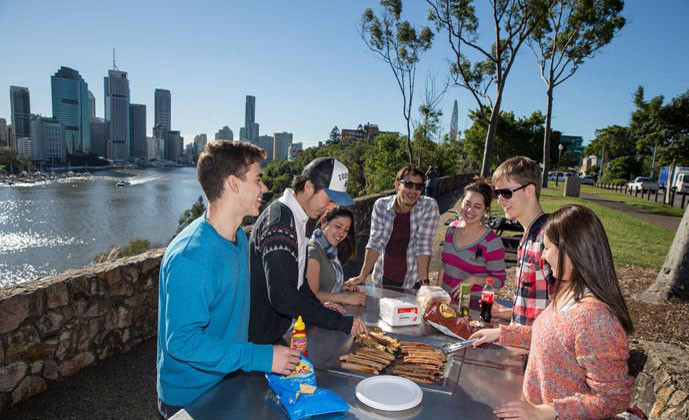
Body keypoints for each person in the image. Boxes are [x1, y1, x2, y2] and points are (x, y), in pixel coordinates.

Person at [157, 141, 301, 419]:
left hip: (227, 379)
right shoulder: (192, 257)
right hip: (190, 397)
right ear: (234, 184)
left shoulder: (239, 239)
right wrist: (260, 356)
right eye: (258, 179)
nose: (265, 188)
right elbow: (182, 342)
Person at [470, 205, 635, 420]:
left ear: (570, 251)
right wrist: (501, 334)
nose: (543, 257)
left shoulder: (596, 319)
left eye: (547, 248)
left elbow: (613, 399)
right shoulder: (567, 291)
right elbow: (552, 338)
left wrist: (545, 411)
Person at [249, 157, 368, 346]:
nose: (330, 208)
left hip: (279, 332)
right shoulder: (279, 223)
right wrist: (340, 323)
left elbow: (299, 283)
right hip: (262, 341)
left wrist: (317, 306)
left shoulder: (296, 219)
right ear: (309, 187)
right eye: (329, 199)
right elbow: (283, 295)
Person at [346, 164, 440, 290]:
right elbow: (376, 241)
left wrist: (425, 285)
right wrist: (362, 276)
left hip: (413, 280)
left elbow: (423, 245)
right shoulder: (381, 206)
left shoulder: (428, 206)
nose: (413, 191)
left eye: (418, 187)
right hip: (383, 278)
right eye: (408, 184)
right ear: (397, 184)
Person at [491, 156, 555, 325]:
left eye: (506, 192)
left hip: (537, 347)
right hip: (521, 342)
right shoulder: (528, 236)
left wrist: (504, 334)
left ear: (530, 190)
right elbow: (537, 302)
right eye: (497, 193)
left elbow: (560, 312)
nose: (499, 200)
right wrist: (508, 313)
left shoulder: (548, 238)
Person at [437, 177, 506, 303]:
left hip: (472, 306)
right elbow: (444, 266)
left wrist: (474, 280)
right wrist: (437, 295)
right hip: (445, 304)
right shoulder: (451, 229)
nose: (470, 210)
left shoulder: (492, 242)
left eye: (477, 207)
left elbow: (499, 281)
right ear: (461, 202)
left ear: (486, 210)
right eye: (467, 204)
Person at [306, 206, 367, 306]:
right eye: (338, 227)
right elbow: (312, 295)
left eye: (346, 230)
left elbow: (322, 283)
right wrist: (345, 298)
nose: (342, 233)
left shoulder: (329, 250)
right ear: (324, 222)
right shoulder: (313, 252)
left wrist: (339, 286)